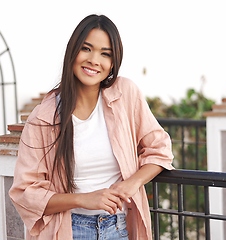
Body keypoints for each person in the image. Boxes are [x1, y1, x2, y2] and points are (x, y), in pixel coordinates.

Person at [9, 14, 174, 240]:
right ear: (72, 51)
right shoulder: (44, 117)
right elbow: (25, 192)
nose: (94, 60)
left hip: (119, 227)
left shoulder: (125, 94)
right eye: (86, 49)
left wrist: (131, 184)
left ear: (113, 62)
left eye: (105, 53)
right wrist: (84, 198)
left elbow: (160, 149)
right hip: (70, 230)